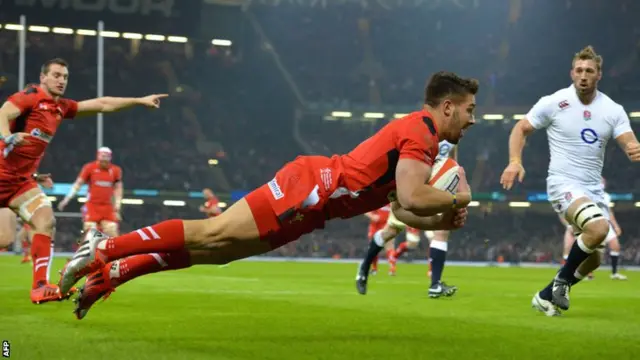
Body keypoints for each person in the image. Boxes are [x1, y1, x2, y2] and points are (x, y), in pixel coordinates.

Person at [59, 71, 478, 319]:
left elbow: (404, 210)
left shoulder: (425, 142)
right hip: (313, 185)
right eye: (469, 110)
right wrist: (458, 200)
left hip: (318, 208)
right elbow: (412, 194)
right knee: (212, 230)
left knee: (218, 251)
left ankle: (117, 272)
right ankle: (104, 247)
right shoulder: (420, 132)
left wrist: (441, 220)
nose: (472, 119)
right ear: (446, 107)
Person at [0, 57, 167, 304]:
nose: (61, 80)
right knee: (4, 239)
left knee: (45, 221)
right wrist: (7, 137)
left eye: (65, 77)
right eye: (56, 75)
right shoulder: (30, 96)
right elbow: (3, 112)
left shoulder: (61, 108)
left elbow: (102, 104)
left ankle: (40, 287)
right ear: (43, 77)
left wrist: (138, 101)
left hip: (20, 182)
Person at [500, 46, 640, 316]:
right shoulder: (554, 102)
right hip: (563, 184)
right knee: (599, 229)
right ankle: (562, 282)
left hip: (592, 190)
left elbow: (629, 142)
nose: (583, 75)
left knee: (594, 258)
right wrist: (515, 161)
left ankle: (545, 294)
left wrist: (635, 149)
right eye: (579, 70)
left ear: (599, 75)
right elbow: (521, 128)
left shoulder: (612, 110)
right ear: (572, 73)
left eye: (589, 71)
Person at [356, 139, 459, 297]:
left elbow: (453, 160)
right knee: (390, 231)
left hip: (436, 189)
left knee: (442, 231)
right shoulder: (422, 132)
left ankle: (435, 285)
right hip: (412, 187)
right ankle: (364, 267)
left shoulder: (452, 135)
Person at [559, 177, 626, 280]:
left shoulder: (606, 196)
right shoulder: (585, 194)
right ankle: (584, 272)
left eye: (603, 181)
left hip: (606, 223)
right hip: (591, 223)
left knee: (615, 246)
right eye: (600, 181)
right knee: (586, 249)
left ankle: (614, 273)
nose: (602, 183)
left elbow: (609, 212)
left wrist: (615, 226)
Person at [58, 147, 123, 237]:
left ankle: (113, 250)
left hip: (108, 207)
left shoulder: (116, 170)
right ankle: (90, 250)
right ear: (98, 157)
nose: (104, 163)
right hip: (92, 206)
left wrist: (117, 206)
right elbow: (78, 184)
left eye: (106, 160)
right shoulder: (89, 168)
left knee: (112, 232)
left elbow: (118, 188)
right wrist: (66, 199)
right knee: (89, 232)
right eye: (102, 160)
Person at [362, 205, 391, 275]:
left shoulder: (392, 200)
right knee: (373, 247)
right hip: (375, 227)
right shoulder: (377, 199)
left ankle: (392, 268)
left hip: (386, 226)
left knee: (389, 246)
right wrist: (372, 216)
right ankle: (374, 268)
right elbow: (365, 210)